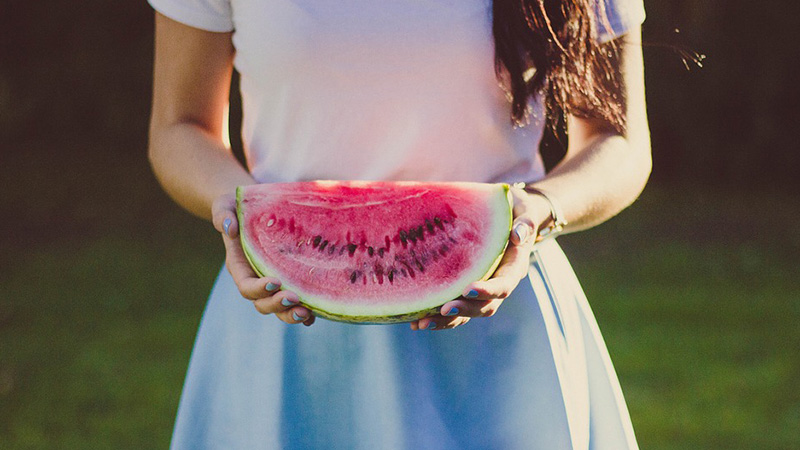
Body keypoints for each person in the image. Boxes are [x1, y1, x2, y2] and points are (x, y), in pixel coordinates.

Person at [147, 0, 651, 448]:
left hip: (497, 321)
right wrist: (239, 215)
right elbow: (179, 126)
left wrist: (538, 209)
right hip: (287, 321)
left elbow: (620, 140)